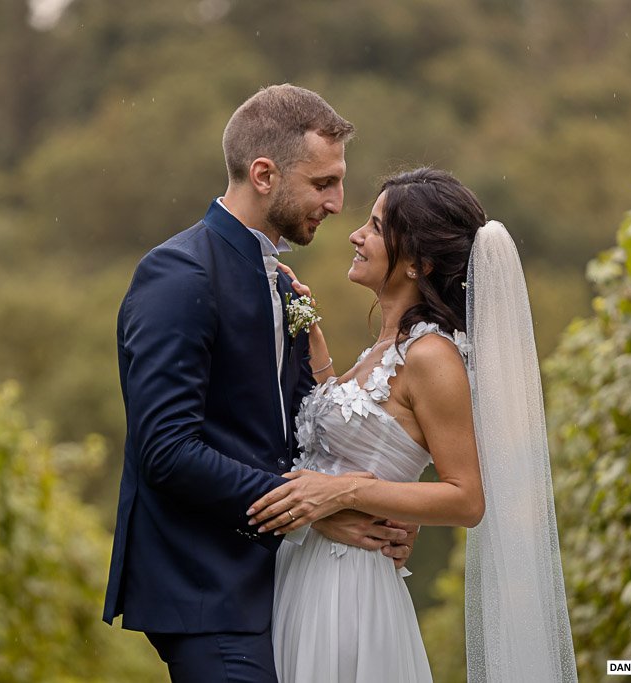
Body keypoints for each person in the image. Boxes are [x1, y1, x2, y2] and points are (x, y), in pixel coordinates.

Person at [102, 85, 418, 683]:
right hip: (207, 586)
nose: (337, 202)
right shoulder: (178, 274)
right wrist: (308, 510)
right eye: (323, 183)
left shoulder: (278, 282)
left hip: (281, 582)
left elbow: (292, 433)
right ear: (264, 174)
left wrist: (375, 516)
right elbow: (166, 451)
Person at [247, 168, 578, 682]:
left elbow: (466, 499)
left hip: (351, 592)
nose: (357, 235)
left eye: (376, 227)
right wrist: (318, 356)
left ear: (419, 262)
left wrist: (343, 493)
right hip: (307, 576)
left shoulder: (432, 357)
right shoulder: (385, 350)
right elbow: (367, 437)